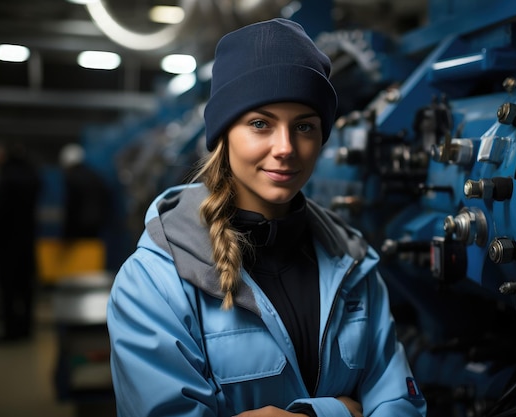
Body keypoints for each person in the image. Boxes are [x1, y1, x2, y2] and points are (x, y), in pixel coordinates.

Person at [107, 18, 427, 417]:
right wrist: (338, 413)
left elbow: (400, 404)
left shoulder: (353, 267)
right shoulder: (156, 282)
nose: (286, 148)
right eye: (260, 124)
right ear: (224, 134)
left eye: (305, 126)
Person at [0, 142, 41, 342]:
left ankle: (11, 330)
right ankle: (26, 328)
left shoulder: (6, 178)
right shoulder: (32, 175)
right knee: (25, 287)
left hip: (7, 242)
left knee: (8, 289)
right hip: (27, 240)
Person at [59, 143, 110, 240]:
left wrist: (66, 234)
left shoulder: (72, 179)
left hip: (78, 227)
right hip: (97, 225)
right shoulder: (95, 176)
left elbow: (72, 206)